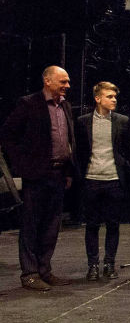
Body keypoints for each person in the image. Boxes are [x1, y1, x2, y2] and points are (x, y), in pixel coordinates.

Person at [0, 65, 78, 291]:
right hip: (36, 175)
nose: (67, 86)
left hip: (59, 174)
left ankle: (44, 270)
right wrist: (22, 165)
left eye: (68, 81)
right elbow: (7, 135)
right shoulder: (29, 103)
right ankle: (30, 273)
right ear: (48, 81)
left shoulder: (65, 106)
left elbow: (69, 140)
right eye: (63, 81)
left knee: (52, 226)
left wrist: (69, 171)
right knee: (31, 225)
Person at [75, 81, 130, 281]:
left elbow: (127, 150)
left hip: (114, 179)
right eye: (109, 96)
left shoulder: (122, 121)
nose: (114, 100)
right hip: (91, 179)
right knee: (92, 225)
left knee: (113, 224)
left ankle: (109, 263)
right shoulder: (83, 121)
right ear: (98, 99)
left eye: (115, 96)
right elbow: (79, 152)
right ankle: (92, 265)